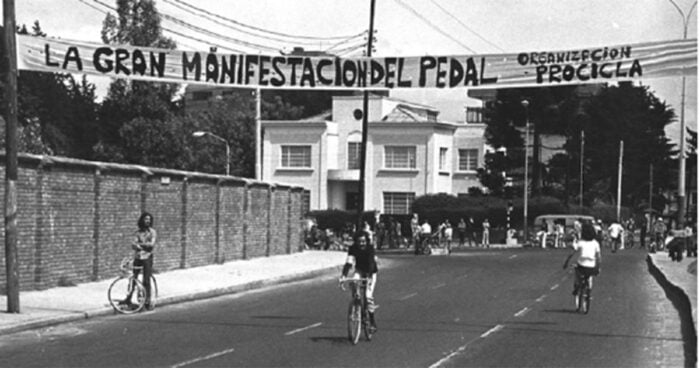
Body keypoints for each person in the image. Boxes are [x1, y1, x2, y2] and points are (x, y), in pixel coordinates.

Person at [339, 230, 378, 332]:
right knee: (354, 281)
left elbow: (371, 263)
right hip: (359, 270)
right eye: (359, 241)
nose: (362, 244)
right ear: (356, 242)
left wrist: (369, 276)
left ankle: (372, 322)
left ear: (367, 241)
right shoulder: (353, 249)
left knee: (368, 296)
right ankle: (356, 301)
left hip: (370, 272)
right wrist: (343, 276)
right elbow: (348, 263)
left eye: (364, 241)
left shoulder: (370, 248)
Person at [122, 212, 157, 310]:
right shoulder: (137, 233)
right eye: (146, 219)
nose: (148, 221)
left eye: (149, 219)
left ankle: (147, 301)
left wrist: (140, 245)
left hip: (147, 257)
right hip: (138, 257)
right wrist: (141, 245)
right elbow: (133, 244)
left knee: (146, 280)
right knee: (133, 279)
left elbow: (151, 244)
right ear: (142, 220)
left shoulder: (152, 232)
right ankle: (128, 298)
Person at [564, 221, 601, 298]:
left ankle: (577, 287)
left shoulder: (580, 242)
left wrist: (566, 262)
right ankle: (588, 291)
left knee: (577, 272)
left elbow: (571, 254)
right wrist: (598, 267)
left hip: (582, 265)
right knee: (590, 277)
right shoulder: (595, 243)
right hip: (591, 265)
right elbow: (599, 257)